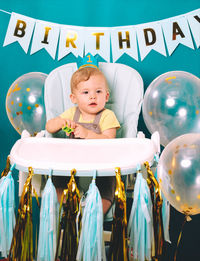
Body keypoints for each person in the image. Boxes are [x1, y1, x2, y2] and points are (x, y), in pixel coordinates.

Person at [46, 53, 120, 214]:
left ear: (106, 96)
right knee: (58, 180)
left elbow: (109, 140)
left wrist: (87, 134)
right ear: (74, 98)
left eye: (98, 92)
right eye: (85, 93)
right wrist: (59, 123)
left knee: (107, 184)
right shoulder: (72, 113)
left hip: (101, 163)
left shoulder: (107, 115)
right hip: (72, 161)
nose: (93, 96)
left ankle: (92, 215)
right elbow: (49, 127)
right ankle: (73, 209)